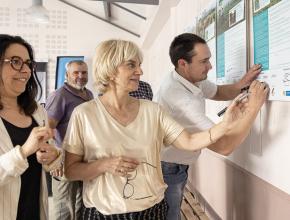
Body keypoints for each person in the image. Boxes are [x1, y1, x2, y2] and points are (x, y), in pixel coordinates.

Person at [62, 39, 268, 220]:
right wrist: (103, 165)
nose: (140, 72)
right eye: (132, 65)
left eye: (140, 65)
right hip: (103, 214)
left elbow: (188, 141)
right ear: (111, 69)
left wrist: (226, 123)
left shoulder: (153, 110)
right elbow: (70, 170)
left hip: (151, 210)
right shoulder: (84, 114)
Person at [156, 33, 265, 220]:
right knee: (170, 215)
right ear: (183, 63)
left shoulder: (187, 77)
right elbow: (224, 146)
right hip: (168, 167)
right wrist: (254, 107)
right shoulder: (179, 98)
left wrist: (242, 83)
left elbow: (217, 91)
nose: (210, 66)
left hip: (176, 164)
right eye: (204, 61)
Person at [0, 34, 62, 220]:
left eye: (28, 63)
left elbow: (50, 158)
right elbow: (26, 151)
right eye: (16, 62)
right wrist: (24, 151)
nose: (26, 70)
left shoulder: (36, 111)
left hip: (35, 210)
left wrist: (53, 156)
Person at [45, 60, 94, 220]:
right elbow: (47, 129)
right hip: (63, 161)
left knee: (83, 204)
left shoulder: (89, 94)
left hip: (84, 160)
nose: (81, 76)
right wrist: (55, 159)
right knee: (64, 209)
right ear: (67, 75)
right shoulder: (59, 95)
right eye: (76, 72)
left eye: (84, 72)